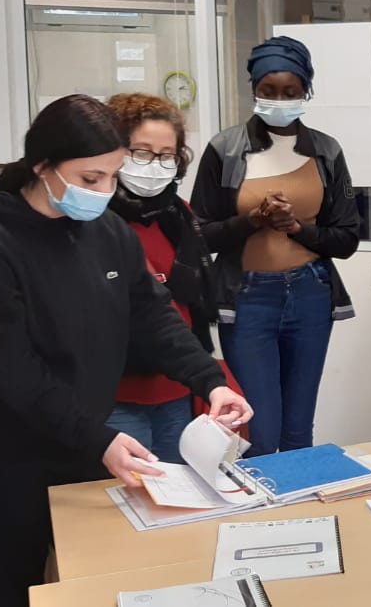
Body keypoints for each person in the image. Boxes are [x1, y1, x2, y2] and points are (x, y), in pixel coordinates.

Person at [0, 95, 252, 604]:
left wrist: (210, 380)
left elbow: (151, 315)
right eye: (91, 179)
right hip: (10, 458)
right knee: (20, 591)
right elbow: (13, 371)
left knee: (94, 585)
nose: (106, 191)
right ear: (43, 165)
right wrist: (97, 437)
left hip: (80, 448)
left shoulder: (103, 230)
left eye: (113, 176)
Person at [192, 36, 362, 455]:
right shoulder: (225, 149)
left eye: (291, 92)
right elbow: (198, 234)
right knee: (260, 431)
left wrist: (297, 227)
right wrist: (251, 221)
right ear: (254, 89)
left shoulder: (326, 151)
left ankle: (300, 517)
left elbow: (346, 239)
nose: (280, 100)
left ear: (307, 90)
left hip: (310, 293)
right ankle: (261, 517)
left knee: (298, 430)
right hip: (247, 299)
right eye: (269, 91)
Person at [103, 93, 236, 464]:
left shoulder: (181, 217)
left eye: (166, 155)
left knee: (178, 496)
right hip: (116, 393)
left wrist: (209, 381)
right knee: (125, 502)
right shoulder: (97, 221)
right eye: (141, 152)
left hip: (175, 387)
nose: (154, 165)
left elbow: (187, 305)